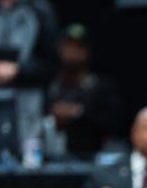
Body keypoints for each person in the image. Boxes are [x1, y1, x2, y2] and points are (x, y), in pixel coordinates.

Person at [46, 24, 123, 159]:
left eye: (79, 47)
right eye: (68, 45)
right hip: (53, 158)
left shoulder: (101, 86)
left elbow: (114, 123)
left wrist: (79, 113)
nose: (72, 51)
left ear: (87, 51)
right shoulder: (50, 85)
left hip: (93, 157)